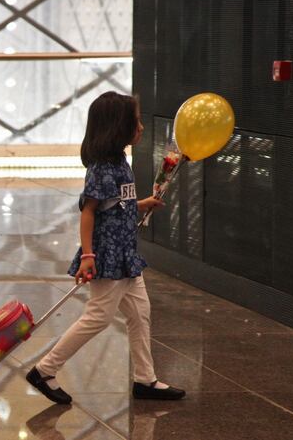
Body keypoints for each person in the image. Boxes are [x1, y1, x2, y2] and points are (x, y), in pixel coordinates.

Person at [26, 91, 185, 404]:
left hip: (126, 255)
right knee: (98, 317)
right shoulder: (101, 169)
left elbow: (118, 205)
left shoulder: (121, 162)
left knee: (140, 315)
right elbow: (88, 212)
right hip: (107, 257)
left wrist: (142, 204)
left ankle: (145, 379)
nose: (140, 127)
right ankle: (44, 369)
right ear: (117, 127)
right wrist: (88, 256)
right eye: (135, 123)